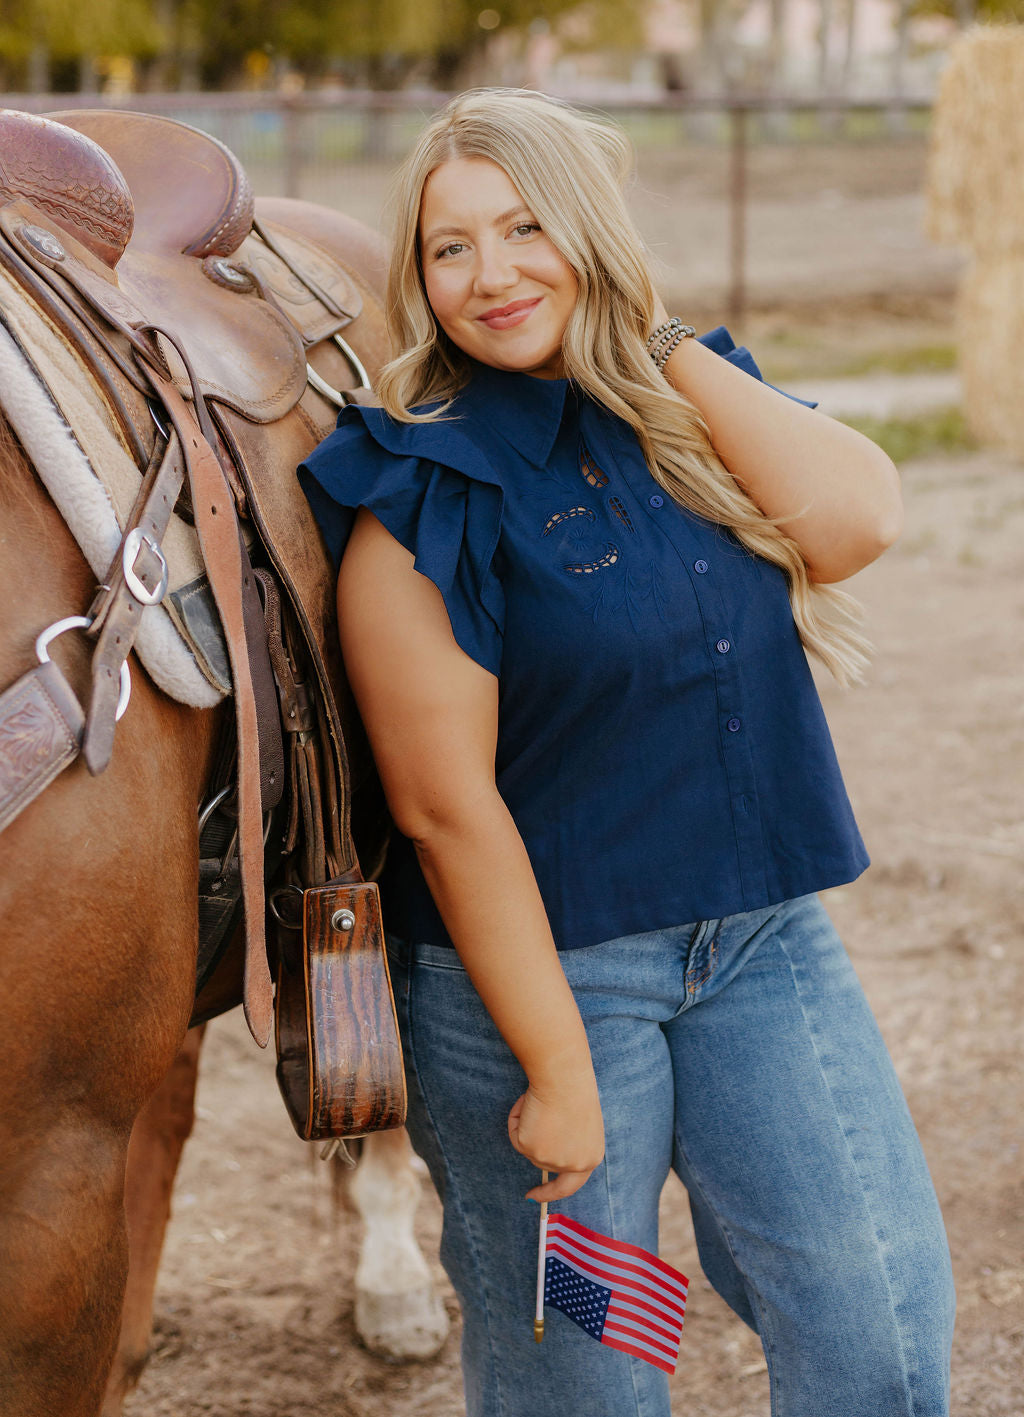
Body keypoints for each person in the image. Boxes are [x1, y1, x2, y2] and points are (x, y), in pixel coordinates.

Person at [298, 89, 954, 1417]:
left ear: (591, 230)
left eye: (529, 226)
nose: (492, 275)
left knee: (873, 1330)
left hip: (761, 949)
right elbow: (445, 809)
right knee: (594, 1380)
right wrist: (557, 1069)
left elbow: (859, 516)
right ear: (419, 278)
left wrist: (653, 342)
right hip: (548, 992)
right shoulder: (421, 485)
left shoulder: (694, 414)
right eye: (451, 247)